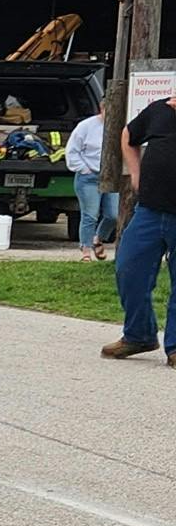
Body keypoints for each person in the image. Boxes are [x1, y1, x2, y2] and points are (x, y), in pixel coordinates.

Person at [102, 88, 176, 365]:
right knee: (128, 269)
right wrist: (135, 173)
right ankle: (139, 335)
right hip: (150, 210)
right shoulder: (159, 110)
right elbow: (129, 135)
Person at [64, 110, 119, 260]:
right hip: (89, 176)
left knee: (113, 215)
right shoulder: (86, 126)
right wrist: (84, 169)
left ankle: (98, 238)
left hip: (111, 175)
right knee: (90, 215)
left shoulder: (120, 126)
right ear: (102, 109)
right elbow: (72, 151)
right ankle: (86, 250)